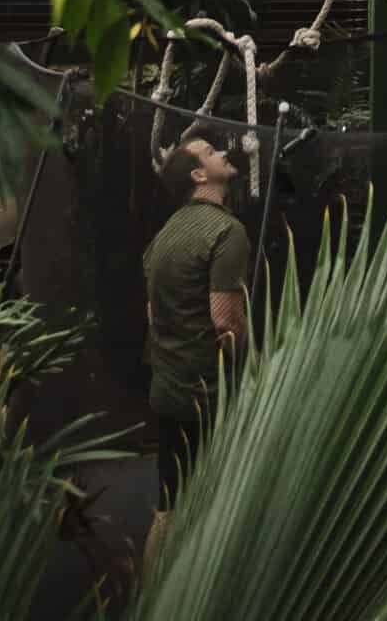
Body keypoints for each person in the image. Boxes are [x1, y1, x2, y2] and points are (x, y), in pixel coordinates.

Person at [142, 133, 249, 554]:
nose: (222, 151)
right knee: (219, 508)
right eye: (210, 152)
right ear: (199, 174)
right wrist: (250, 363)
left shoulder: (164, 236)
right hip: (210, 397)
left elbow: (152, 317)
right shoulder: (226, 231)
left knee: (168, 509)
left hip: (167, 393)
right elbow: (225, 322)